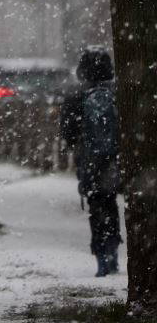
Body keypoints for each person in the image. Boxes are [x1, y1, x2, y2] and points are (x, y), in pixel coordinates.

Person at [59, 45, 122, 277]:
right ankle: (114, 250)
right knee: (111, 201)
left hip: (89, 160)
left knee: (96, 205)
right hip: (114, 158)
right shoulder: (119, 93)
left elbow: (68, 133)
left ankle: (101, 258)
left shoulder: (77, 96)